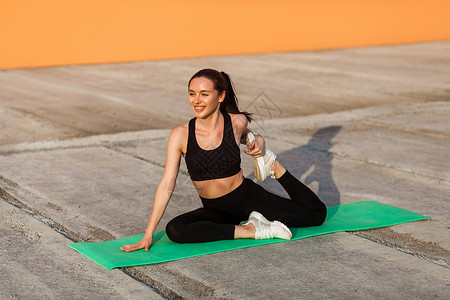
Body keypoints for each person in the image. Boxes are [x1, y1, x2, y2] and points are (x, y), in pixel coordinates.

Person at [120, 69, 327, 252]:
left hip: (248, 198)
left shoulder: (236, 122)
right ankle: (250, 230)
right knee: (175, 229)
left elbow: (250, 136)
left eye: (204, 94)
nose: (196, 100)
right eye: (192, 94)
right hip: (215, 210)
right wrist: (148, 233)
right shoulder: (180, 135)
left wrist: (260, 143)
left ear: (221, 96)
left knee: (316, 215)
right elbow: (166, 184)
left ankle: (274, 166)